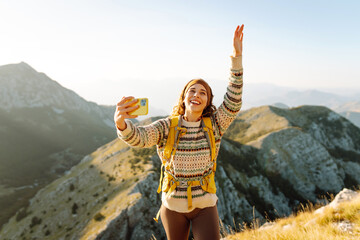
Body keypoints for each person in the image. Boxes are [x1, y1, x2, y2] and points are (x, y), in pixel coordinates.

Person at [114, 24, 244, 240]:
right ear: (184, 97)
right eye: (191, 90)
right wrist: (121, 124)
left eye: (203, 92)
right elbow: (140, 138)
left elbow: (233, 101)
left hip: (205, 206)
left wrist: (236, 59)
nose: (196, 94)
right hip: (172, 208)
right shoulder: (167, 126)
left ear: (207, 102)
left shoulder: (215, 125)